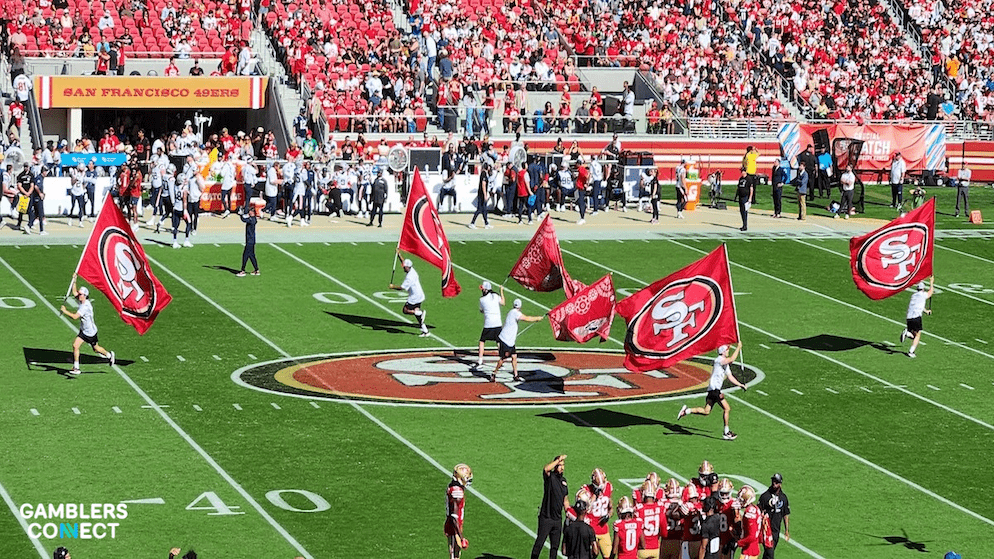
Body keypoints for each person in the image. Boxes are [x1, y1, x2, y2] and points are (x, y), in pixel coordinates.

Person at [677, 343, 746, 440]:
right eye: (727, 350)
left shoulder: (724, 364)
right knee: (727, 408)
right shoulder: (719, 360)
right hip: (715, 390)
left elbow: (730, 377)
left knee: (706, 411)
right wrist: (738, 348)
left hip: (712, 390)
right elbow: (731, 359)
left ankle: (686, 411)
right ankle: (726, 432)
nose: (728, 351)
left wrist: (740, 384)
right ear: (723, 351)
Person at [59, 274, 115, 376]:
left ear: (85, 296)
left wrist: (65, 311)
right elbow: (74, 292)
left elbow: (75, 317)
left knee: (90, 348)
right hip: (85, 330)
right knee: (84, 347)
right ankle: (77, 367)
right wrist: (74, 280)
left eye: (81, 294)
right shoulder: (82, 300)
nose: (78, 295)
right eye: (79, 294)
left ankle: (108, 355)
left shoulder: (84, 306)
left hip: (89, 332)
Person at [491, 299, 543, 381]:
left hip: (510, 340)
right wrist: (537, 318)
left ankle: (516, 375)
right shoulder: (515, 313)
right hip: (506, 340)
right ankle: (494, 373)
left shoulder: (512, 312)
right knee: (503, 358)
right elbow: (527, 318)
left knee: (514, 357)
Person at [531, 454, 570, 559]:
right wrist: (557, 460)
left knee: (554, 547)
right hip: (546, 517)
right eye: (559, 465)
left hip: (557, 519)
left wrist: (569, 511)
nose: (561, 467)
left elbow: (565, 499)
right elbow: (546, 469)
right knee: (539, 543)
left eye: (563, 465)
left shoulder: (564, 481)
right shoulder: (550, 477)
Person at [389, 253, 429, 337]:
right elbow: (404, 262)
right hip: (419, 295)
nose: (403, 267)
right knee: (417, 315)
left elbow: (402, 288)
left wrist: (393, 287)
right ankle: (425, 331)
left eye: (404, 267)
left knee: (405, 310)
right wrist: (399, 254)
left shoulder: (409, 277)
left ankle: (420, 313)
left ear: (407, 267)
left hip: (414, 297)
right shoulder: (412, 270)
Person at [900, 277, 933, 358]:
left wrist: (926, 311)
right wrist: (932, 282)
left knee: (915, 335)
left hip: (909, 317)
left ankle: (907, 333)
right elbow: (931, 292)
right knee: (918, 335)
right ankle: (911, 351)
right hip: (916, 317)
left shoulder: (914, 296)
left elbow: (919, 306)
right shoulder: (923, 295)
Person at [758, 474, 790, 559]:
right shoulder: (765, 496)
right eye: (773, 481)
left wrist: (787, 530)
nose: (774, 483)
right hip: (766, 529)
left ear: (780, 483)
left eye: (776, 482)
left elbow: (785, 514)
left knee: (768, 555)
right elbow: (758, 511)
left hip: (776, 530)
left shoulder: (783, 498)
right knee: (770, 554)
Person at [445, 464, 473, 559]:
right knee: (454, 555)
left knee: (456, 555)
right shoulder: (457, 492)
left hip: (455, 524)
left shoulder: (455, 487)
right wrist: (461, 537)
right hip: (454, 526)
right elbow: (454, 517)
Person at [585, 468, 614, 558]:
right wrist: (593, 496)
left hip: (603, 529)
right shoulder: (586, 490)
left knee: (609, 556)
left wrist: (608, 515)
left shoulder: (608, 486)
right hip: (591, 529)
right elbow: (583, 510)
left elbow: (611, 507)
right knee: (593, 554)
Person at [475, 281, 505, 368]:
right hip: (498, 323)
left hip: (488, 324)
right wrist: (501, 291)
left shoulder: (482, 299)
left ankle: (480, 361)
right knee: (499, 342)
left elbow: (481, 310)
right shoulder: (495, 296)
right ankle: (501, 359)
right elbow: (503, 302)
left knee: (482, 341)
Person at [236, 200, 263, 276]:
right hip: (251, 240)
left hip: (250, 241)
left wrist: (240, 214)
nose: (249, 212)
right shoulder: (252, 219)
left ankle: (242, 270)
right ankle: (256, 270)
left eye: (251, 212)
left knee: (245, 255)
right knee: (252, 256)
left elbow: (244, 220)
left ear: (253, 213)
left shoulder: (253, 220)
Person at [734, 486, 761, 559]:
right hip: (753, 547)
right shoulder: (755, 508)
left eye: (742, 500)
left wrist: (739, 543)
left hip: (749, 550)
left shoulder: (749, 514)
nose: (740, 502)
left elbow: (751, 536)